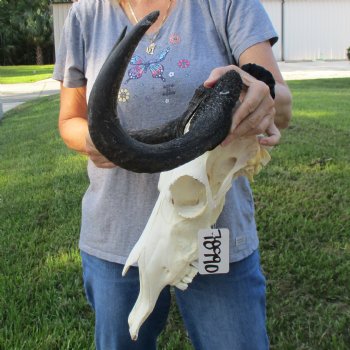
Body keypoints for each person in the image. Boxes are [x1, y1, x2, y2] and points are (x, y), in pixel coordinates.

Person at [53, 0, 292, 349]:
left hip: (212, 229)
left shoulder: (228, 5)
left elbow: (281, 104)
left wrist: (262, 98)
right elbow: (69, 121)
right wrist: (96, 138)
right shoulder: (86, 14)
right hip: (116, 237)